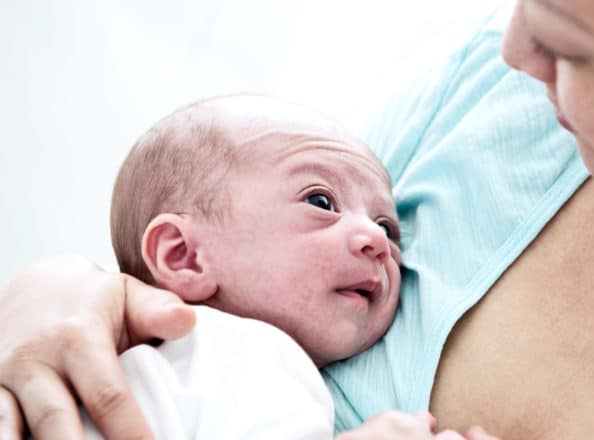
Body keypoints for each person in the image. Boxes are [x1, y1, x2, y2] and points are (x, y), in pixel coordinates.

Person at [1, 0, 594, 438]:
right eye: (322, 205)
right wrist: (68, 294)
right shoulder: (487, 102)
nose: (511, 53)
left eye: (570, 42)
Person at [82, 93, 403, 438]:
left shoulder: (157, 373)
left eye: (387, 226)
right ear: (184, 256)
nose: (378, 240)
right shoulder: (242, 352)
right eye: (320, 201)